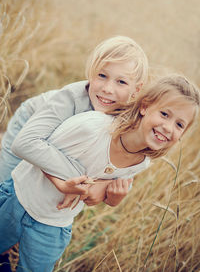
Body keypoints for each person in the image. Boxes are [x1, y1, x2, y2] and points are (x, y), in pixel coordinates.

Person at [0, 74, 199, 272]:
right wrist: (67, 181)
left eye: (179, 124)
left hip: (55, 222)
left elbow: (100, 195)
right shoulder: (93, 127)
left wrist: (113, 198)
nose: (168, 127)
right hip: (19, 198)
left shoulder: (142, 163)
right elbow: (40, 149)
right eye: (164, 114)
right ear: (144, 107)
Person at [0, 35, 148, 188]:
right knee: (6, 180)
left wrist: (107, 187)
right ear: (91, 73)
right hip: (30, 121)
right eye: (102, 75)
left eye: (121, 82)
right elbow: (24, 144)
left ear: (136, 90)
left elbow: (124, 168)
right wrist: (83, 178)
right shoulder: (71, 99)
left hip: (55, 141)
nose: (107, 89)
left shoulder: (126, 117)